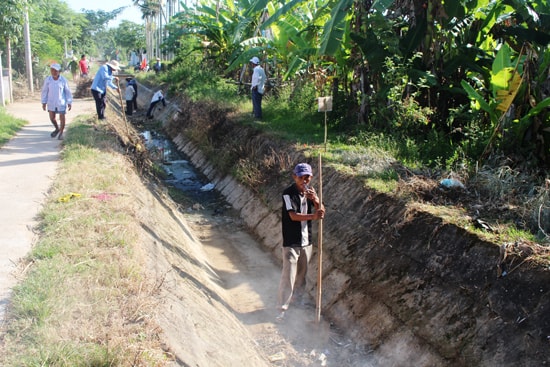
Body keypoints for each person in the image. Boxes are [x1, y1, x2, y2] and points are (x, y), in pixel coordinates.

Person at [277, 163, 325, 321]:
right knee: (289, 274)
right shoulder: (288, 194)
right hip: (291, 241)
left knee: (302, 274)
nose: (304, 180)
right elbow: (293, 216)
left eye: (307, 177)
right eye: (301, 177)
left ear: (310, 177)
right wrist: (313, 216)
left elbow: (321, 211)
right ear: (294, 177)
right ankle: (282, 306)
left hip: (307, 241)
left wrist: (316, 201)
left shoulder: (311, 193)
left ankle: (296, 301)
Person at [40, 63, 73, 140]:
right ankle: (57, 128)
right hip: (51, 102)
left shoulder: (63, 80)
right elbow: (44, 91)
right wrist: (44, 102)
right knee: (52, 118)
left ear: (59, 72)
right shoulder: (48, 80)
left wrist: (69, 102)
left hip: (61, 102)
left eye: (56, 71)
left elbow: (67, 92)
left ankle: (61, 133)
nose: (54, 72)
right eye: (52, 70)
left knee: (62, 117)